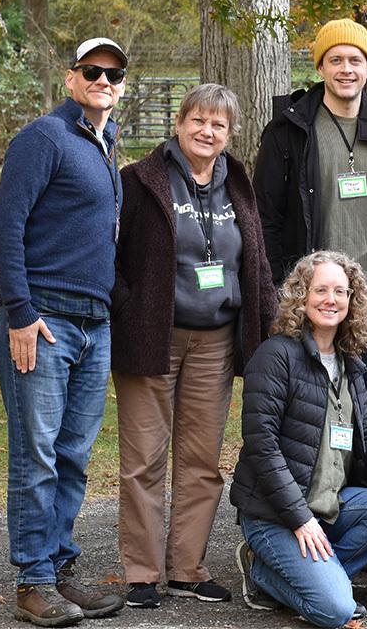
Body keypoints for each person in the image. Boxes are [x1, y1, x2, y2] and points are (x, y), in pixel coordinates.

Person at [110, 83, 278, 608]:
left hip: (216, 342)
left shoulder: (239, 181)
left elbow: (257, 260)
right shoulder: (140, 180)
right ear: (180, 123)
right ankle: (141, 572)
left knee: (202, 459)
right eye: (198, 121)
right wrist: (128, 306)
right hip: (151, 335)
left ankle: (187, 568)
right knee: (144, 458)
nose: (207, 132)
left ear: (230, 135)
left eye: (219, 125)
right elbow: (109, 255)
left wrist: (270, 323)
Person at [0, 37, 129, 626]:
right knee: (37, 453)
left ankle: (61, 570)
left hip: (94, 323)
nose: (103, 81)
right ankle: (33, 581)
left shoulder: (104, 142)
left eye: (114, 74)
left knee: (72, 454)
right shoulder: (43, 138)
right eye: (92, 72)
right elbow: (5, 223)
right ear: (71, 79)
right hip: (41, 321)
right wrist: (19, 312)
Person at [230, 251, 367, 628]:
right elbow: (262, 446)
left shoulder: (350, 361)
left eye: (340, 291)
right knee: (335, 611)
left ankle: (308, 574)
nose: (330, 300)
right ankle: (264, 572)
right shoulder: (275, 356)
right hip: (276, 517)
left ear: (353, 301)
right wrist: (300, 519)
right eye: (320, 290)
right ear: (301, 297)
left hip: (330, 505)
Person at [253, 19, 367, 414]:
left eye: (356, 60)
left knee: (364, 410)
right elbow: (266, 217)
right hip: (311, 297)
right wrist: (281, 286)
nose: (347, 69)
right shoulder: (289, 130)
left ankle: (356, 479)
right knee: (308, 412)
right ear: (320, 68)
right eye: (336, 59)